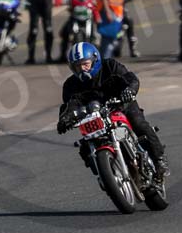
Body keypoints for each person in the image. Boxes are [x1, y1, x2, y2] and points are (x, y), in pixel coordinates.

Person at [57, 42, 169, 179]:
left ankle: (159, 160)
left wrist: (129, 90)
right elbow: (68, 105)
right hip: (95, 116)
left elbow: (130, 78)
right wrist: (64, 119)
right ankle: (106, 175)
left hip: (121, 105)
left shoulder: (110, 66)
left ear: (95, 60)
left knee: (139, 123)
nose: (82, 70)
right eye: (77, 66)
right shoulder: (70, 85)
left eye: (85, 64)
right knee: (85, 147)